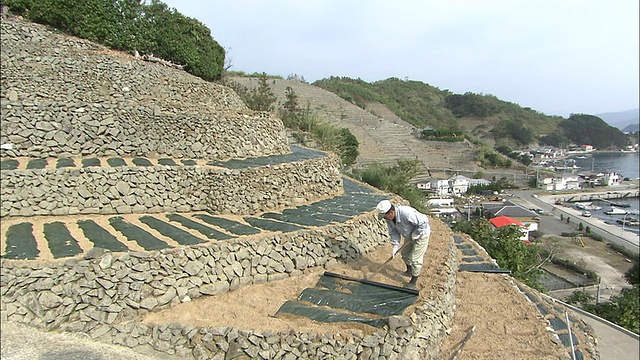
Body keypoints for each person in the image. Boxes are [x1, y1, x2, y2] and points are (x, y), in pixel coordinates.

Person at [376, 199, 431, 289]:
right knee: (405, 254)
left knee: (415, 259)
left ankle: (413, 282)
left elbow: (424, 221)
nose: (384, 218)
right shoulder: (389, 219)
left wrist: (417, 233)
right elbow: (393, 232)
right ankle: (409, 271)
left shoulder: (407, 213)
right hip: (409, 236)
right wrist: (395, 246)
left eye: (385, 216)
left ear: (391, 212)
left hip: (422, 235)